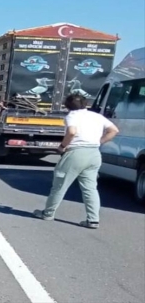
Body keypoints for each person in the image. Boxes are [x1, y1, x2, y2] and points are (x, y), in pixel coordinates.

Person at [33, 93, 119, 229]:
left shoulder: (72, 116)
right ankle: (93, 220)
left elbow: (72, 132)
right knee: (90, 188)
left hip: (76, 153)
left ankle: (48, 213)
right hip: (94, 153)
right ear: (85, 104)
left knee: (60, 185)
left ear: (67, 106)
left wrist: (62, 147)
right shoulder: (97, 116)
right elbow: (113, 130)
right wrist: (98, 142)